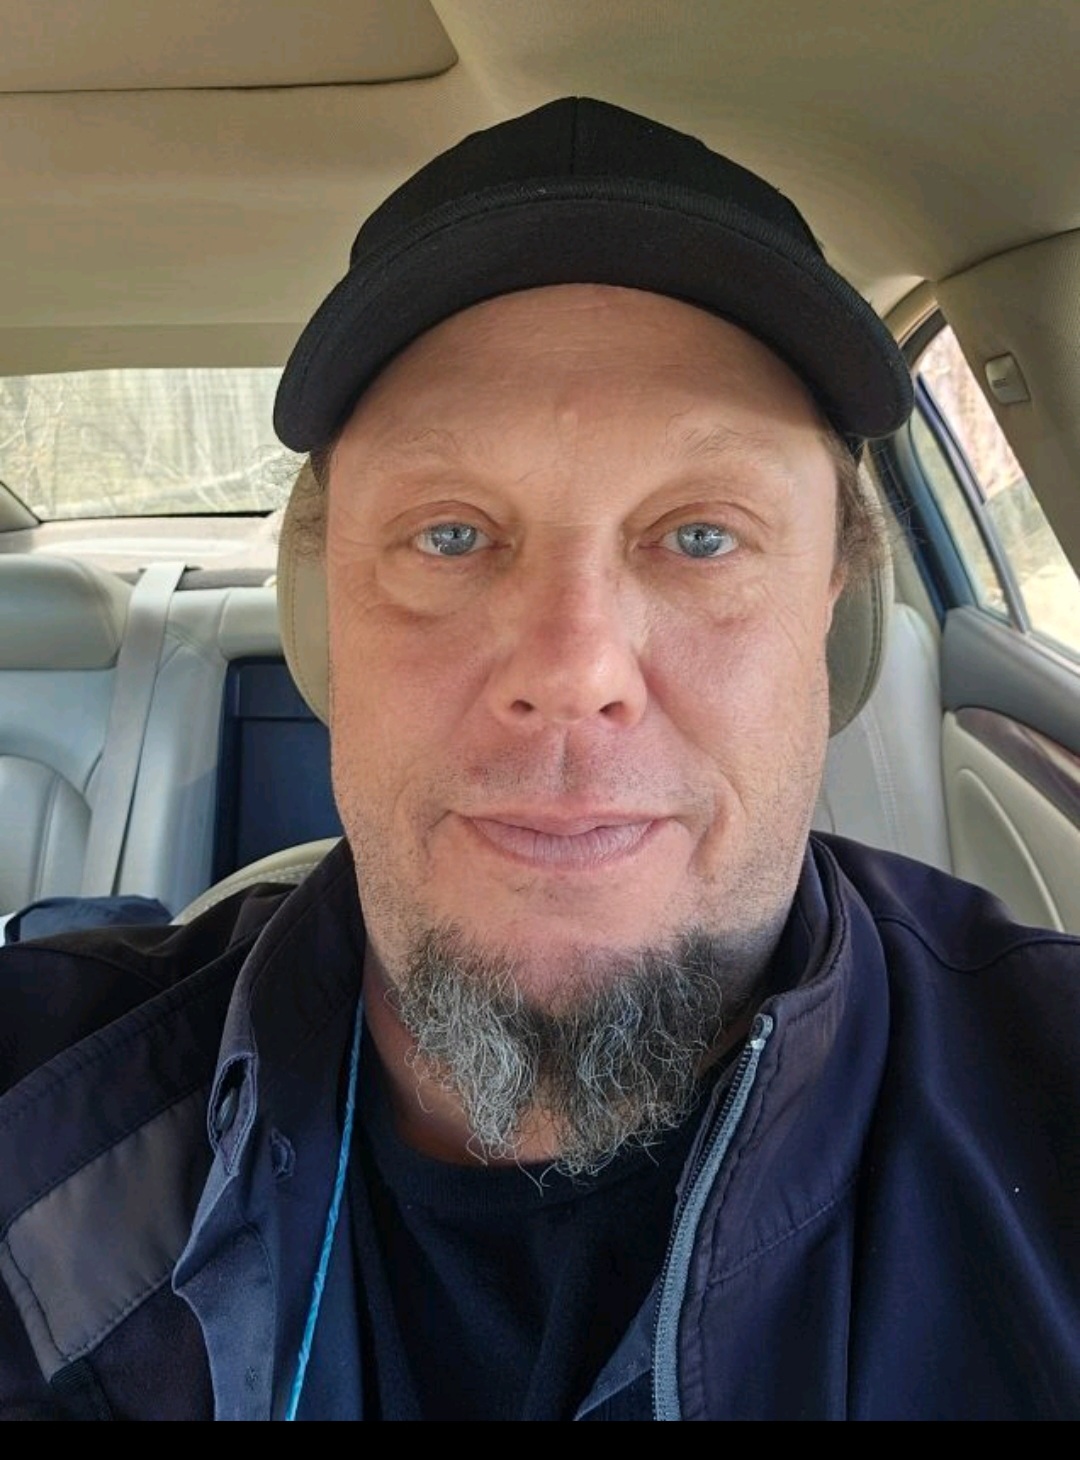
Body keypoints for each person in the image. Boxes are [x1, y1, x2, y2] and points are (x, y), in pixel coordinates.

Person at [1, 96, 1078, 1422]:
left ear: (836, 622)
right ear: (320, 619)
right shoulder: (33, 1113)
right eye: (450, 536)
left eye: (701, 536)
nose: (571, 672)